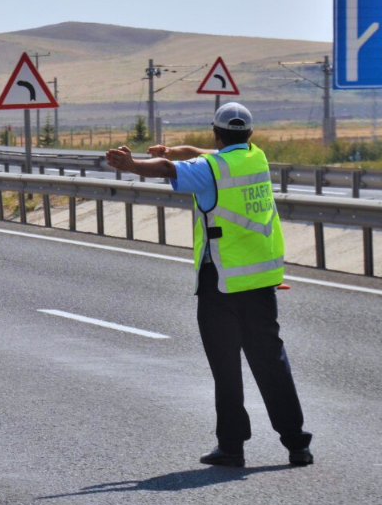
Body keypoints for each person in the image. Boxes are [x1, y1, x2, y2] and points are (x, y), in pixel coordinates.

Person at [104, 102, 313, 467]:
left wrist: (133, 165)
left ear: (216, 132)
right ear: (248, 134)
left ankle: (232, 447)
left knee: (226, 367)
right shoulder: (255, 158)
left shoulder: (210, 170)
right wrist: (180, 150)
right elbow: (203, 156)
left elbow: (171, 170)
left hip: (221, 281)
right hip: (261, 282)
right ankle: (297, 445)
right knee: (271, 363)